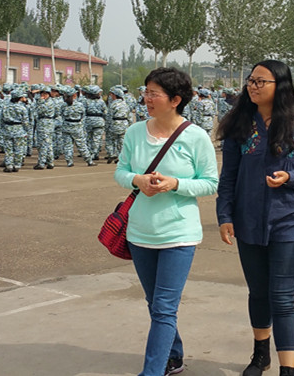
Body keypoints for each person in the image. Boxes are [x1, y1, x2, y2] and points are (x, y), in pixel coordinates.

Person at [216, 60, 294, 376]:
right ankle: (260, 355)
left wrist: (291, 178)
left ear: (281, 86)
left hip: (289, 221)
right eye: (251, 80)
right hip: (248, 222)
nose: (253, 86)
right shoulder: (240, 126)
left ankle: (288, 369)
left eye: (261, 81)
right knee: (259, 293)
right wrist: (224, 215)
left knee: (283, 298)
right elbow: (228, 177)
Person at [114, 67, 218, 376]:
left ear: (175, 100)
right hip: (140, 232)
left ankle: (153, 371)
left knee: (163, 308)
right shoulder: (135, 132)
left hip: (178, 234)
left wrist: (175, 184)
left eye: (154, 94)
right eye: (145, 92)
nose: (147, 99)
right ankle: (174, 356)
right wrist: (138, 180)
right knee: (155, 303)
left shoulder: (196, 137)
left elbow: (210, 183)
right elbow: (120, 171)